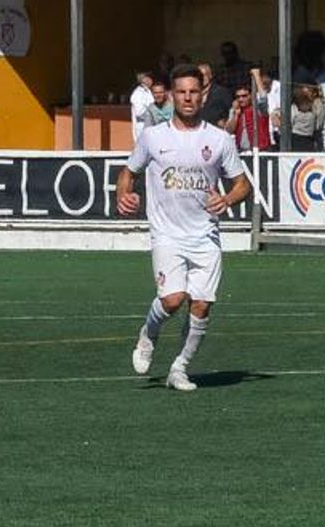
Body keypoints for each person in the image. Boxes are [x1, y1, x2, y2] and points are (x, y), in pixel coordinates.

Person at [117, 64, 251, 392]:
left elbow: (242, 185)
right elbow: (128, 172)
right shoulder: (153, 137)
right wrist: (123, 193)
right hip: (167, 233)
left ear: (202, 94)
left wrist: (227, 199)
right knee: (173, 299)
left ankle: (179, 368)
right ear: (173, 95)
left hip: (205, 234)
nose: (188, 98)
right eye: (182, 92)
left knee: (202, 304)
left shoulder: (219, 140)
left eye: (194, 91)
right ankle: (148, 334)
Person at [227, 82, 273, 151]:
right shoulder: (234, 110)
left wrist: (257, 76)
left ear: (251, 95)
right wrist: (236, 115)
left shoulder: (258, 108)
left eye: (244, 96)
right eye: (238, 97)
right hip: (242, 151)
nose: (241, 99)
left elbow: (263, 98)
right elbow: (229, 130)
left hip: (261, 151)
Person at [288, 84, 325, 149]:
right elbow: (319, 124)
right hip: (309, 138)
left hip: (294, 138)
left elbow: (290, 122)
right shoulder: (315, 106)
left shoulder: (294, 107)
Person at [197, 63, 233, 127]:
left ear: (210, 76)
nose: (201, 78)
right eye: (199, 76)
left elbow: (231, 110)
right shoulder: (194, 93)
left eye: (204, 75)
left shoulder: (221, 92)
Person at [130, 70, 156, 141]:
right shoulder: (138, 93)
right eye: (148, 78)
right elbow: (139, 112)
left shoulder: (148, 91)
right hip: (142, 125)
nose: (151, 80)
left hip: (150, 125)